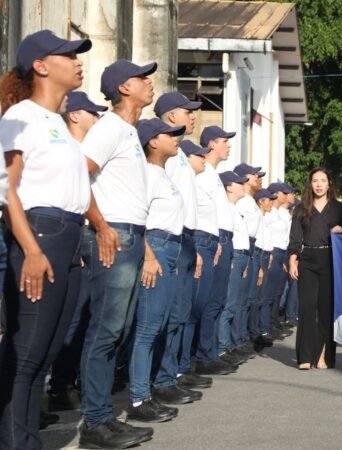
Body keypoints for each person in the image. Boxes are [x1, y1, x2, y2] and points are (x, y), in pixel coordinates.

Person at [0, 29, 90, 449]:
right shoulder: (22, 117)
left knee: (47, 354)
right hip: (39, 236)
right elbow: (7, 191)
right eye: (68, 54)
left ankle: (27, 439)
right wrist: (33, 251)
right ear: (41, 65)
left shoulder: (57, 122)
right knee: (27, 355)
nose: (77, 60)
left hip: (68, 240)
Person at [79, 58, 158, 448]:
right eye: (142, 78)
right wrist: (101, 225)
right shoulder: (108, 128)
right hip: (115, 236)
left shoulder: (128, 132)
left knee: (119, 331)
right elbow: (79, 173)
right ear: (123, 88)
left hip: (131, 236)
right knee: (105, 331)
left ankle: (104, 415)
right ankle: (94, 423)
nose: (150, 83)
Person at [47, 91, 107, 411]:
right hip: (72, 231)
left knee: (82, 316)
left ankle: (66, 383)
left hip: (83, 234)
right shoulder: (68, 147)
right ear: (74, 115)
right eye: (92, 113)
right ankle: (57, 386)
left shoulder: (84, 148)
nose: (96, 119)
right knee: (64, 319)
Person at [125, 118, 186, 423]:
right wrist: (148, 256)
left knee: (160, 324)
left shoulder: (163, 174)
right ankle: (138, 398)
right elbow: (140, 220)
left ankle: (148, 391)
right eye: (169, 134)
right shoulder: (146, 174)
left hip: (171, 249)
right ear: (152, 142)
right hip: (157, 249)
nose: (177, 138)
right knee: (148, 327)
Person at [152, 92, 212, 394]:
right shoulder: (168, 156)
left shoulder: (178, 157)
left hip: (187, 237)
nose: (193, 117)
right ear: (171, 116)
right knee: (168, 314)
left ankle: (172, 372)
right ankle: (163, 378)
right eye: (187, 112)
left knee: (181, 313)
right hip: (171, 237)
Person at [288, 168, 342, 369]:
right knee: (307, 308)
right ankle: (305, 357)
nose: (318, 184)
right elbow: (294, 239)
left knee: (326, 310)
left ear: (329, 184)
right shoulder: (301, 208)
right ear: (310, 184)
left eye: (322, 180)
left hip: (330, 260)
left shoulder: (340, 208)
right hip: (307, 259)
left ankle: (324, 355)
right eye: (315, 181)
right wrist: (293, 260)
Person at [194, 125, 244, 374]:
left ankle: (210, 352)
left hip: (222, 239)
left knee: (218, 301)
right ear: (212, 144)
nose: (229, 145)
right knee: (210, 302)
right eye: (225, 140)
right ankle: (204, 355)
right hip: (212, 240)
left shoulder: (212, 173)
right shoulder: (203, 173)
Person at [217, 170, 251, 363]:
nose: (242, 186)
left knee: (234, 304)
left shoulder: (234, 208)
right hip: (234, 257)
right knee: (228, 305)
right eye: (239, 183)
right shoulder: (226, 208)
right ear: (228, 187)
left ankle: (227, 344)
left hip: (241, 257)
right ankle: (222, 347)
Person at [232, 163, 265, 356]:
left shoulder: (250, 200)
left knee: (246, 299)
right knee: (237, 300)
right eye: (255, 175)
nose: (258, 178)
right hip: (243, 248)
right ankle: (235, 340)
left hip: (251, 247)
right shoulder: (242, 201)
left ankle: (241, 337)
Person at [261, 182, 294, 341]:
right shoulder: (270, 213)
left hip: (281, 253)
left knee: (276, 292)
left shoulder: (280, 213)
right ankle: (265, 327)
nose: (287, 195)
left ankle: (272, 323)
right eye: (284, 192)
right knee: (269, 293)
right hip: (273, 252)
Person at [251, 188, 278, 354]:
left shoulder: (263, 216)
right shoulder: (256, 215)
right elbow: (257, 242)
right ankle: (253, 333)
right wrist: (260, 265)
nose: (271, 202)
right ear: (261, 201)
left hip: (265, 255)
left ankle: (258, 331)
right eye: (269, 199)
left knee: (261, 297)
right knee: (254, 298)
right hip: (258, 255)